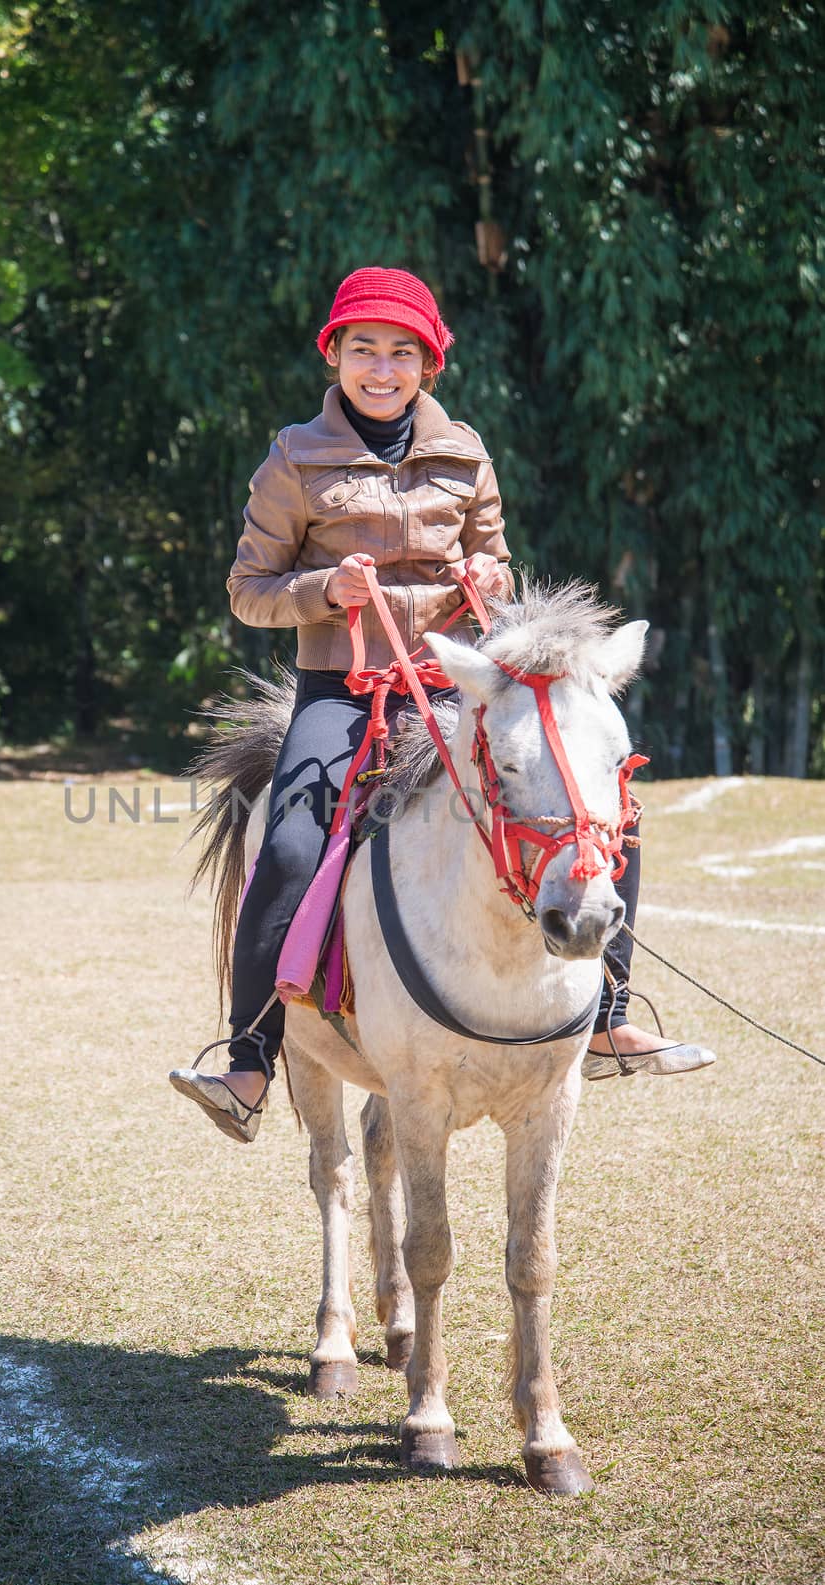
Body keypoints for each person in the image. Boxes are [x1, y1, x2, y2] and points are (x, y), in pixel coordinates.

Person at [170, 267, 714, 1142]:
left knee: (599, 806)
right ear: (335, 356)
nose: (380, 369)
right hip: (343, 692)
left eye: (400, 353)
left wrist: (490, 580)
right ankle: (247, 1058)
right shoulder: (293, 458)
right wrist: (324, 590)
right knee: (293, 840)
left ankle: (611, 1011)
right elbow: (249, 591)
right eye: (362, 351)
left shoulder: (466, 453)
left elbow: (496, 570)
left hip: (461, 684)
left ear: (429, 364)